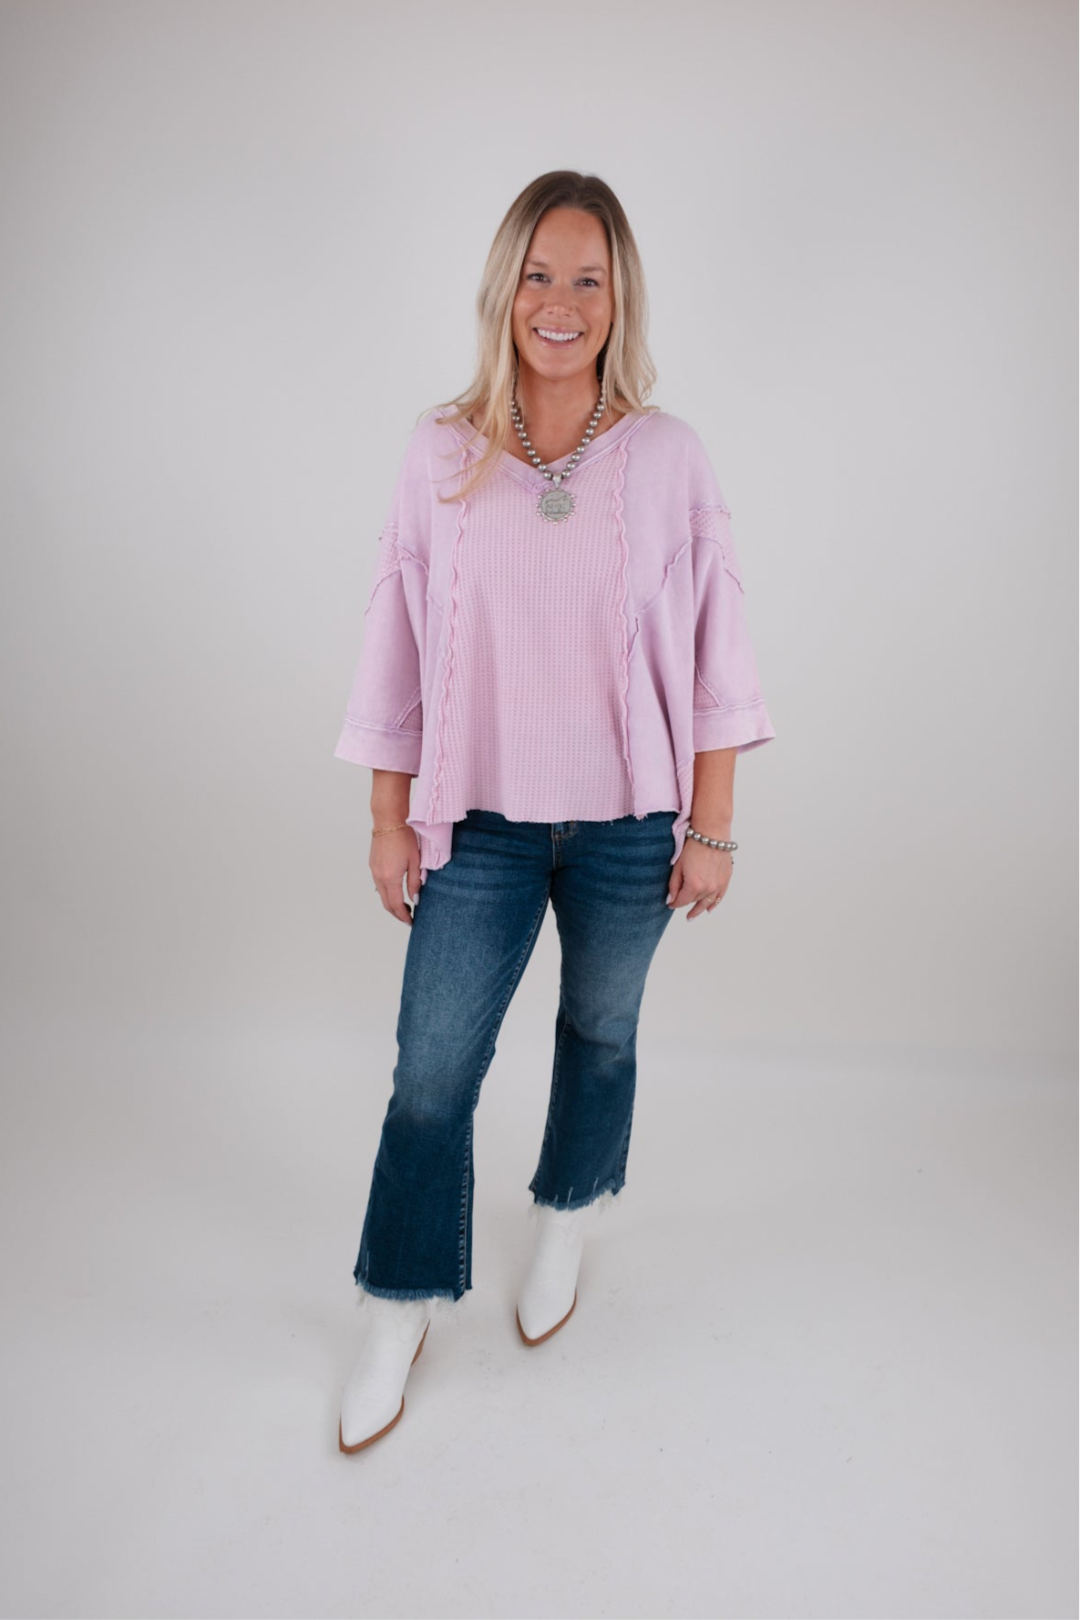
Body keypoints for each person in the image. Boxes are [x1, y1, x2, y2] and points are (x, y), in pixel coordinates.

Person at [332, 170, 776, 1452]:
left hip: (634, 822)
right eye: (540, 273)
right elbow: (397, 643)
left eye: (588, 277)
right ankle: (400, 1302)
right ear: (503, 287)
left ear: (618, 295)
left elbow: (716, 652)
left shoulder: (669, 456)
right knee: (431, 1074)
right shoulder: (441, 453)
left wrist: (713, 822)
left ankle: (570, 1209)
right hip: (478, 824)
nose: (561, 302)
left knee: (601, 1028)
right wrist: (386, 811)